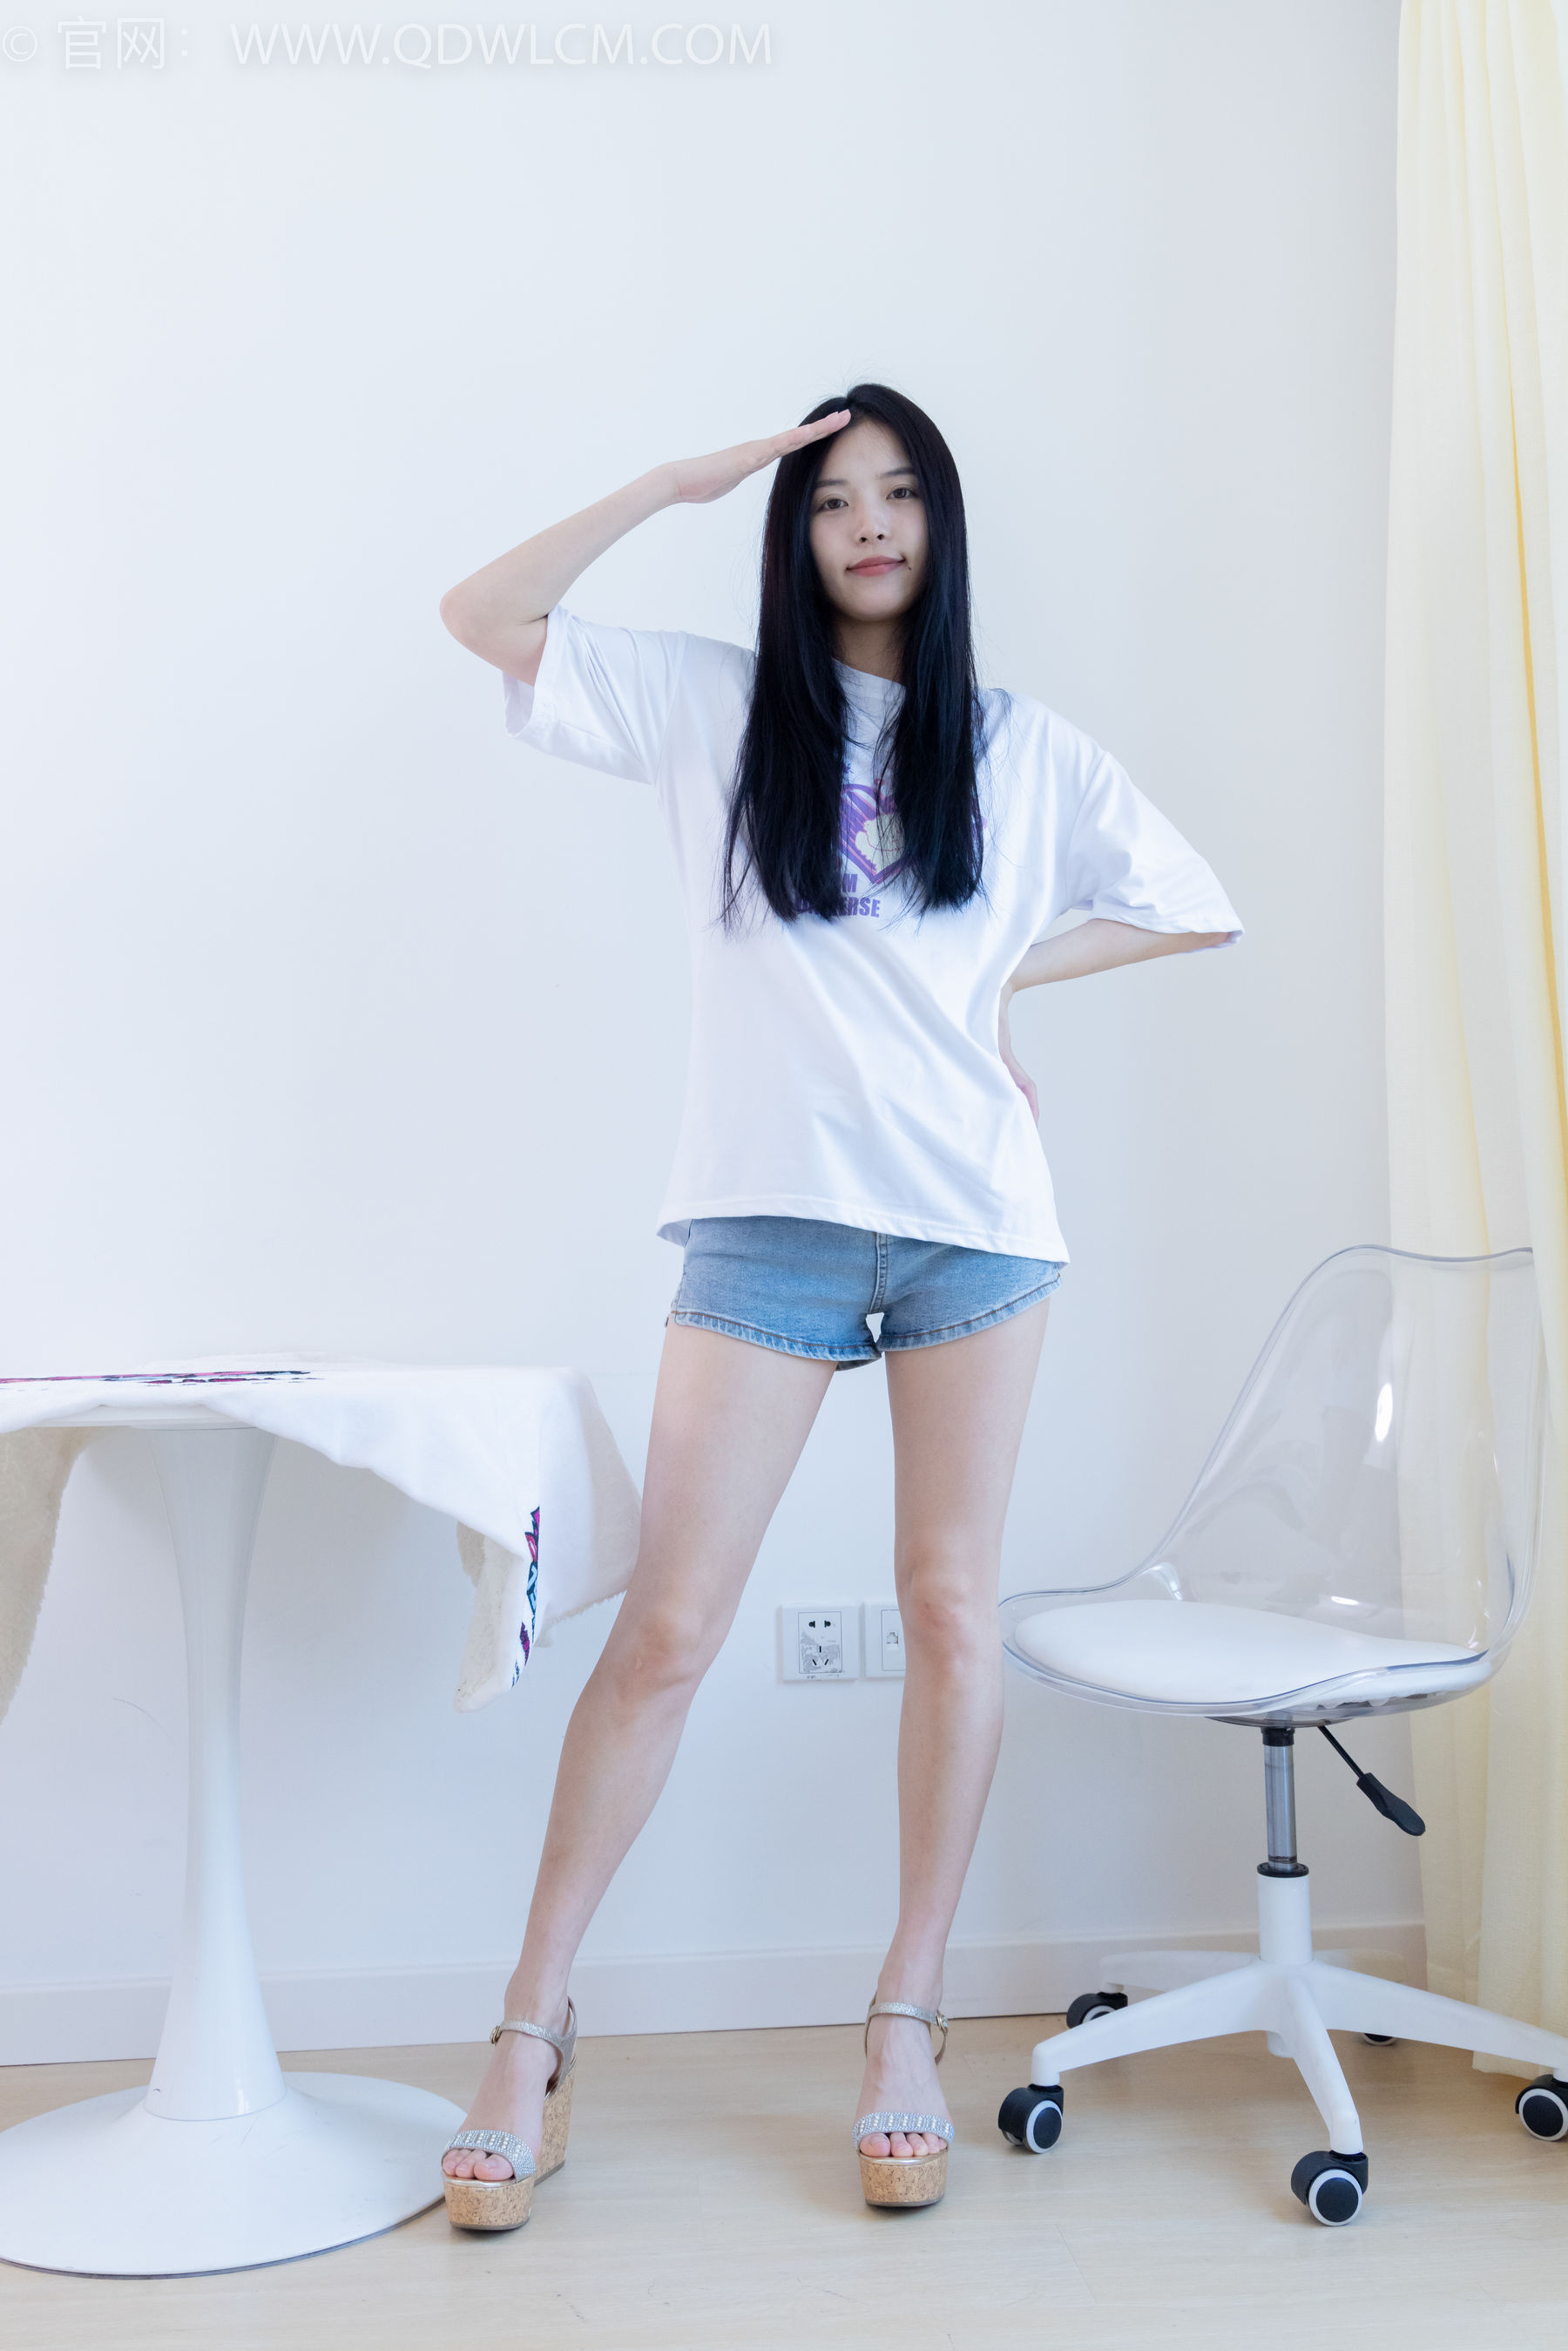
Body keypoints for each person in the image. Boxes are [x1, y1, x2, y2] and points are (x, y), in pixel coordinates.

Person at [436, 383, 1241, 2226]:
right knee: (670, 1627)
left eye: (899, 492)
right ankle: (529, 2030)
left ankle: (904, 2015)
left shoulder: (1024, 751)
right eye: (829, 500)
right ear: (792, 536)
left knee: (950, 1608)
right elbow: (483, 613)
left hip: (976, 1229)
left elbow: (1197, 902)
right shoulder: (714, 708)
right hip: (767, 1231)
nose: (869, 522)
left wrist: (1005, 978)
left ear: (941, 526)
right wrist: (675, 480)